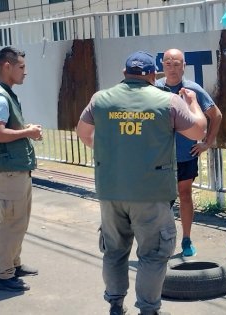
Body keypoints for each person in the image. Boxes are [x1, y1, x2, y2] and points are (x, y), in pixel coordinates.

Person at [76, 51, 207, 315]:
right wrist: (192, 103)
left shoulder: (100, 99)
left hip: (111, 190)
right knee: (153, 254)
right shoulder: (168, 101)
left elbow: (83, 132)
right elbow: (198, 131)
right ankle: (148, 310)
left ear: (125, 74)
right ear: (151, 75)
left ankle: (115, 304)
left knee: (114, 251)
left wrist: (110, 155)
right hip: (151, 192)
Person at [156, 48, 222, 257]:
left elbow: (216, 115)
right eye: (168, 63)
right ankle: (162, 240)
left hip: (185, 155)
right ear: (162, 65)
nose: (172, 68)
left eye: (177, 64)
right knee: (161, 200)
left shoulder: (192, 90)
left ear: (184, 66)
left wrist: (207, 143)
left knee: (184, 195)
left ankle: (186, 239)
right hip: (160, 157)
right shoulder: (154, 89)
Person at [0, 47, 42, 292]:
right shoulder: (1, 97)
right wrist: (27, 132)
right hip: (9, 172)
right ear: (7, 66)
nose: (25, 72)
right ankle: (3, 274)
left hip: (16, 169)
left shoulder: (7, 94)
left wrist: (25, 128)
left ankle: (12, 264)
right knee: (12, 223)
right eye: (21, 67)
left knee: (19, 220)